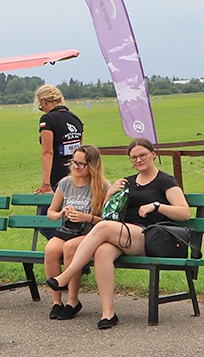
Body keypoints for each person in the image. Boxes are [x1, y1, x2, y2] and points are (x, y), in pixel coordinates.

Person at [45, 139, 190, 329]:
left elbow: (185, 213)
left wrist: (157, 206)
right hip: (125, 235)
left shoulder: (165, 181)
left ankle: (66, 275)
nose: (138, 160)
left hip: (150, 236)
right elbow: (107, 214)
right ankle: (108, 313)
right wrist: (110, 193)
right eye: (134, 157)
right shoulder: (127, 182)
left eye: (142, 155)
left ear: (153, 154)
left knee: (104, 228)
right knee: (102, 252)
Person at [43, 145, 110, 321]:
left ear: (93, 166)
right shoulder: (65, 183)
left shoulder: (102, 186)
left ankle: (73, 301)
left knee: (70, 248)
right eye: (74, 162)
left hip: (89, 233)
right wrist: (61, 213)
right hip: (68, 230)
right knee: (50, 249)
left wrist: (86, 217)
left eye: (82, 164)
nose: (76, 167)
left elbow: (107, 222)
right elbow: (51, 212)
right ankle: (56, 302)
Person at [34, 85, 83, 240]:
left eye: (40, 105)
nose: (41, 108)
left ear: (43, 101)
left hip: (57, 180)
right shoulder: (75, 118)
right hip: (75, 177)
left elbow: (48, 152)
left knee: (45, 223)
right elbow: (80, 153)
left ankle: (66, 250)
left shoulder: (47, 120)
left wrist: (46, 184)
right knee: (69, 221)